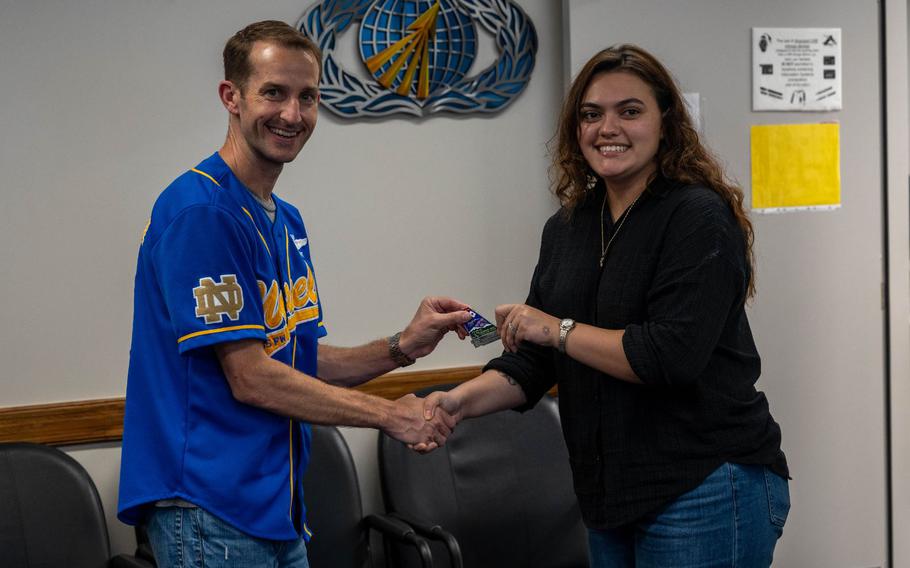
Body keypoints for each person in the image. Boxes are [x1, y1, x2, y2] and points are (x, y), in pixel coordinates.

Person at [420, 45, 791, 567]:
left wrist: (556, 328)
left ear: (666, 121)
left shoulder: (696, 217)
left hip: (705, 484)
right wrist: (457, 403)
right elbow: (532, 361)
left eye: (630, 111)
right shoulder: (568, 226)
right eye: (591, 115)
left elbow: (668, 356)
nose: (607, 128)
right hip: (608, 495)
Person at [117, 20, 467, 568]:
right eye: (274, 93)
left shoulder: (285, 220)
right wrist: (392, 417)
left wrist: (403, 346)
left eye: (308, 97)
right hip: (209, 509)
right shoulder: (201, 212)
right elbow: (251, 376)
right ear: (231, 97)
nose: (292, 114)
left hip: (274, 505)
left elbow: (295, 360)